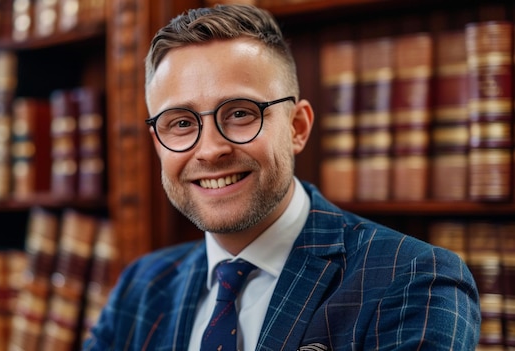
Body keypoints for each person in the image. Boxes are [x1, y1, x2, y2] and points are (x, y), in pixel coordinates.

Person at [83, 4, 480, 351]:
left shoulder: (415, 280)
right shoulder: (142, 285)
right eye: (182, 123)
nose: (209, 149)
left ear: (297, 127)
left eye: (240, 113)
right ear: (157, 142)